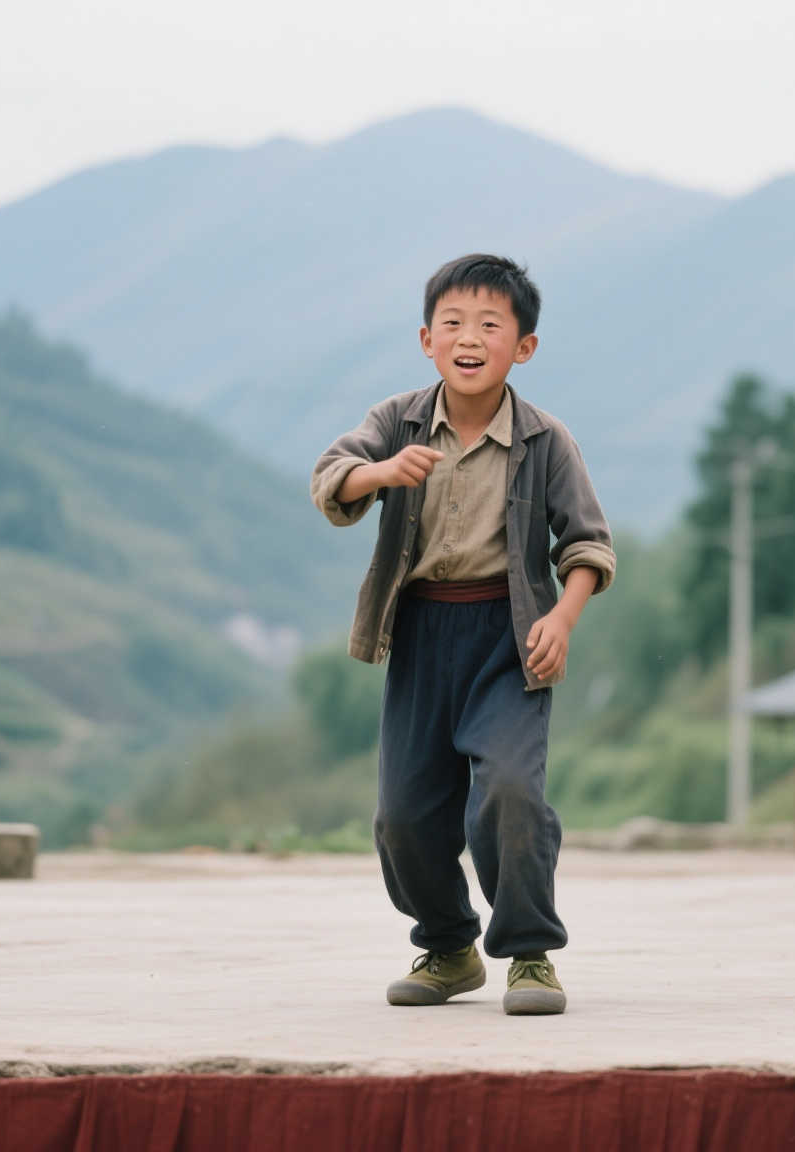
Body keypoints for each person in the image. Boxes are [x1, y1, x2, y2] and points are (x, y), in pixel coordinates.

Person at [310, 254, 616, 1016]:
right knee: (404, 816)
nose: (469, 338)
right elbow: (330, 476)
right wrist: (382, 475)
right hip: (420, 635)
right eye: (453, 323)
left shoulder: (546, 440)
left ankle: (530, 953)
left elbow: (587, 546)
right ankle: (448, 946)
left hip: (509, 641)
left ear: (524, 347)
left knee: (510, 794)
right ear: (426, 339)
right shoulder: (398, 420)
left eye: (490, 325)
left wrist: (562, 617)